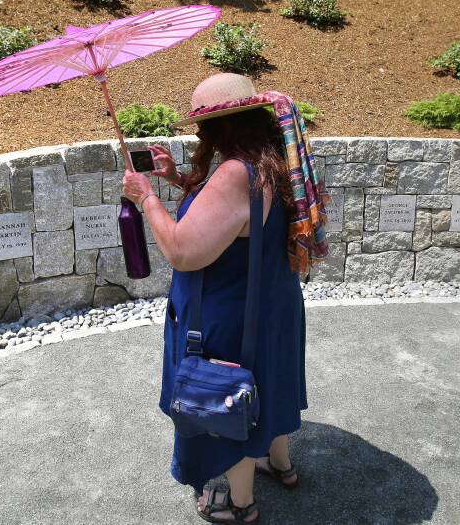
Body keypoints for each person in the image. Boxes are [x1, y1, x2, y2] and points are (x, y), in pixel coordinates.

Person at [121, 73, 330, 524]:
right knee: (268, 383)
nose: (199, 135)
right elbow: (235, 220)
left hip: (231, 314)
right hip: (272, 304)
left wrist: (146, 200)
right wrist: (177, 180)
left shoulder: (235, 173)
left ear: (218, 126)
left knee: (227, 400)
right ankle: (280, 463)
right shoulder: (274, 161)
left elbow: (183, 251)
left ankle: (240, 504)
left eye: (201, 126)